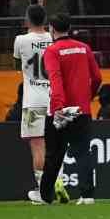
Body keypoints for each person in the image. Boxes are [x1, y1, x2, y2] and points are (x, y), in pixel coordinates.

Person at [33, 14, 103, 206]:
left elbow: (55, 79)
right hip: (82, 110)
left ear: (52, 29)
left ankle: (46, 197)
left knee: (54, 155)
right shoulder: (84, 48)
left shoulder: (52, 50)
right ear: (69, 27)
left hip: (60, 109)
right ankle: (87, 196)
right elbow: (97, 78)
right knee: (82, 152)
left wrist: (58, 107)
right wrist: (87, 98)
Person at [12, 5, 53, 198]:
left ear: (27, 19)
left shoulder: (21, 40)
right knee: (55, 146)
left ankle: (42, 191)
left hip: (33, 99)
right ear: (45, 20)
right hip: (54, 98)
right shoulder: (53, 39)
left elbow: (16, 62)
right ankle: (56, 185)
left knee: (37, 145)